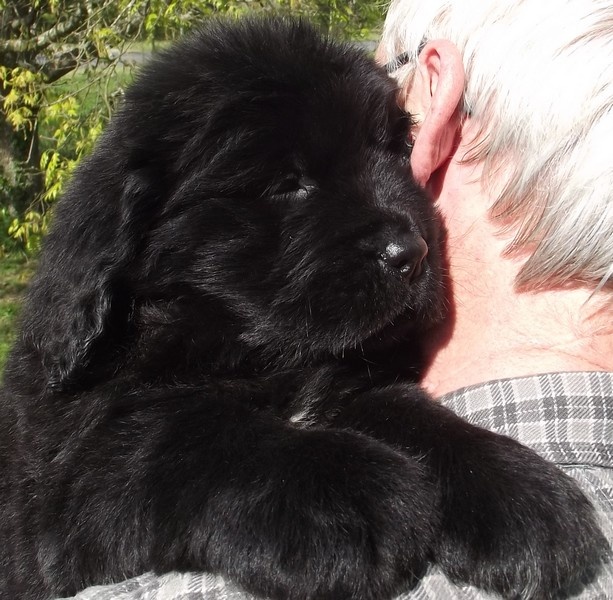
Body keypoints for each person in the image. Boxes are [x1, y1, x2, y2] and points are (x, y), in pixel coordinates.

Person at [64, 0, 612, 598]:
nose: (405, 237)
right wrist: (231, 476)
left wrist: (446, 454)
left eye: (393, 147)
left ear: (437, 95)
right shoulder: (125, 371)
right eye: (290, 185)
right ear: (137, 225)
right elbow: (76, 485)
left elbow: (348, 396)